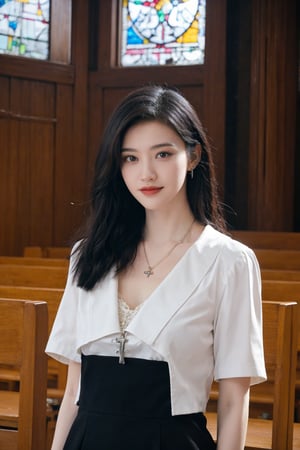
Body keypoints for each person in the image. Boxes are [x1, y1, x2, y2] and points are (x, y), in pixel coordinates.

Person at [46, 85, 267, 450]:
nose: (145, 172)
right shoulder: (88, 254)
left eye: (162, 154)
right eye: (130, 158)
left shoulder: (228, 262)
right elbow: (74, 389)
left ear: (193, 156)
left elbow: (233, 398)